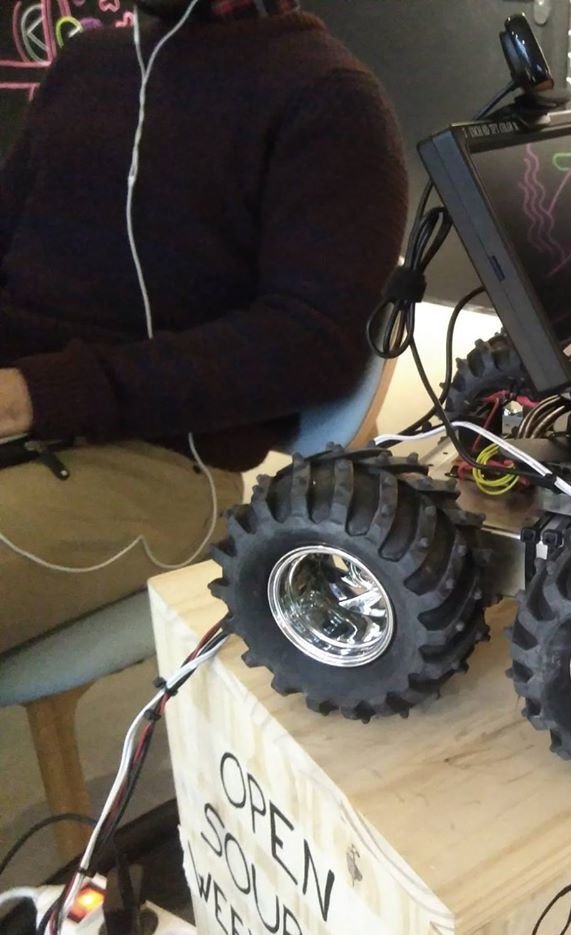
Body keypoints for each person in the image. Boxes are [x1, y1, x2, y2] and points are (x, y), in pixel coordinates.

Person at [0, 0, 409, 652]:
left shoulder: (330, 98)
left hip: (163, 465)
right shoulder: (89, 64)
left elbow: (312, 343)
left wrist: (36, 394)